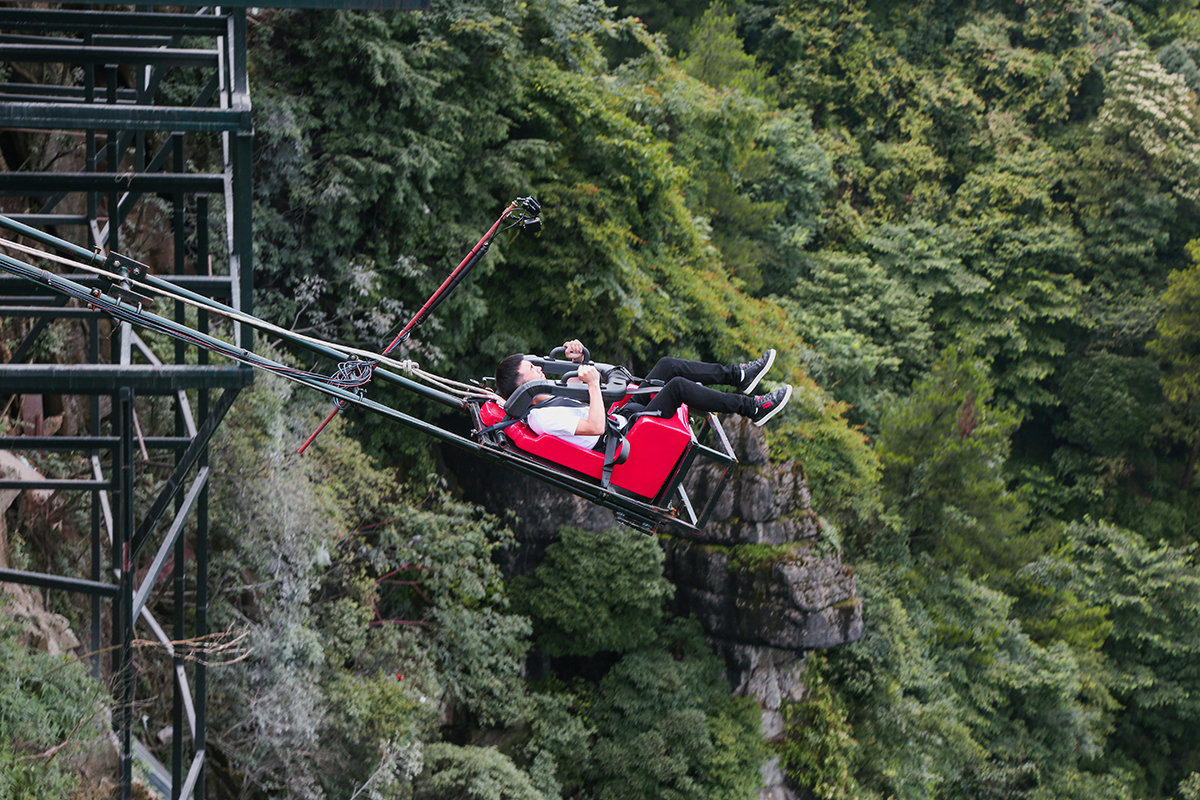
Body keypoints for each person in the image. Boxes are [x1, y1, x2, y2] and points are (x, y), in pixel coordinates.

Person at [494, 339, 793, 450]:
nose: (539, 370)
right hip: (622, 435)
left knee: (666, 365)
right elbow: (595, 426)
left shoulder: (546, 399)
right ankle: (753, 407)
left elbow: (589, 398)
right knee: (676, 386)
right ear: (523, 387)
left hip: (622, 418)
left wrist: (583, 358)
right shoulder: (543, 419)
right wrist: (594, 383)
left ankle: (737, 375)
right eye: (531, 369)